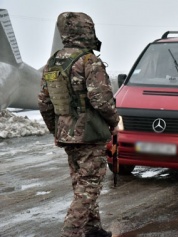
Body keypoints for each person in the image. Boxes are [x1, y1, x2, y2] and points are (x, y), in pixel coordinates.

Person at [38, 12, 119, 237]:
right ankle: (70, 232)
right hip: (89, 134)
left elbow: (44, 102)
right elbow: (101, 100)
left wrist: (56, 129)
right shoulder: (88, 61)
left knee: (81, 183)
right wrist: (114, 122)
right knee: (89, 187)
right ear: (87, 31)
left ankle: (93, 229)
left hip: (67, 134)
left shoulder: (53, 62)